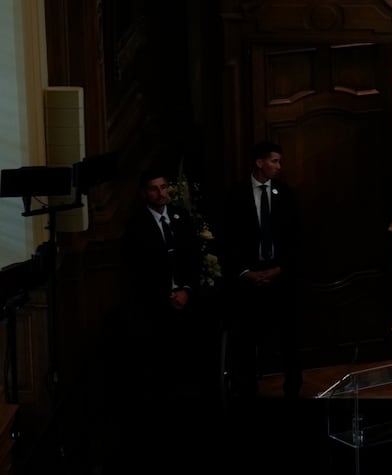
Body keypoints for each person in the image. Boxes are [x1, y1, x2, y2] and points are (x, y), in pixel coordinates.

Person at [222, 139, 300, 398]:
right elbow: (228, 239)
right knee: (246, 339)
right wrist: (245, 272)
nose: (278, 166)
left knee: (289, 337)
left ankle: (293, 389)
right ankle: (247, 393)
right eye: (274, 161)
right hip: (248, 279)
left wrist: (279, 269)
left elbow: (295, 238)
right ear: (259, 163)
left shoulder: (286, 194)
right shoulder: (235, 194)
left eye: (279, 161)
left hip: (280, 277)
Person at [120, 169, 204, 395]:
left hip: (187, 299)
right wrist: (166, 296)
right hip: (155, 306)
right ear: (144, 193)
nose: (160, 193)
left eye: (164, 187)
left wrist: (186, 290)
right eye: (154, 189)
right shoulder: (136, 226)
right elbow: (135, 272)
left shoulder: (181, 217)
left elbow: (194, 258)